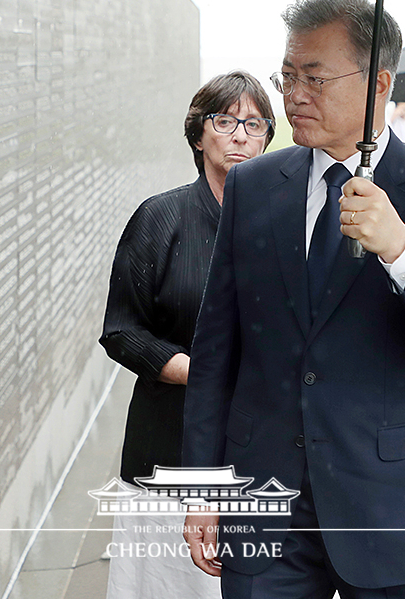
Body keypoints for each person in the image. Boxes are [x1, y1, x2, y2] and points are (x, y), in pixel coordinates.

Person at [182, 0, 405, 599]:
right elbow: (216, 346)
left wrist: (400, 248)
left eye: (314, 77)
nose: (293, 95)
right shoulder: (254, 185)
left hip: (398, 508)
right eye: (287, 75)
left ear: (378, 82)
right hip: (265, 499)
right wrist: (204, 487)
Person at [99, 71, 275, 598]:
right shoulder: (159, 218)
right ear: (199, 135)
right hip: (168, 443)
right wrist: (196, 372)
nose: (241, 134)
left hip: (260, 446)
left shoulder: (283, 226)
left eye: (255, 123)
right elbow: (121, 330)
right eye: (226, 121)